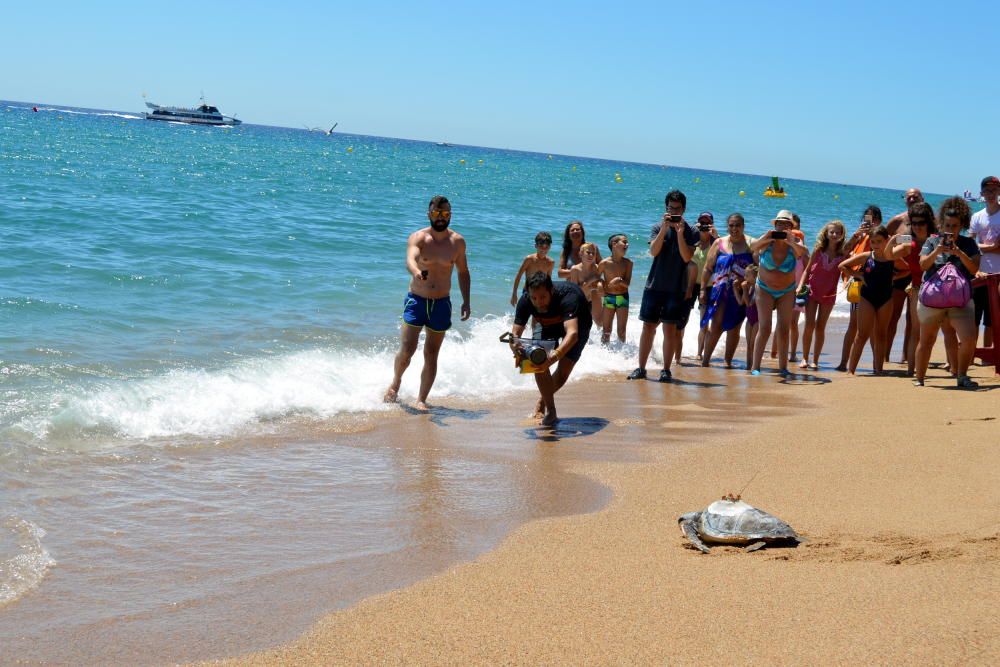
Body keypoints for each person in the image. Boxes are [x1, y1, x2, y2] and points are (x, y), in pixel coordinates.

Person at [384, 196, 471, 410]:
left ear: (450, 214)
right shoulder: (419, 237)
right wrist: (416, 272)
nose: (440, 218)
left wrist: (466, 301)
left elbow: (463, 271)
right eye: (436, 213)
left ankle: (421, 399)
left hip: (441, 303)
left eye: (445, 214)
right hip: (417, 300)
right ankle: (396, 383)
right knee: (407, 350)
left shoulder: (457, 242)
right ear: (428, 214)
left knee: (432, 353)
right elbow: (410, 259)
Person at [627, 190, 698, 382]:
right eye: (670, 208)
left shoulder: (691, 231)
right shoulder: (658, 227)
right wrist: (665, 227)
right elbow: (653, 251)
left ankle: (666, 369)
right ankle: (641, 368)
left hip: (676, 288)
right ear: (666, 208)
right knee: (648, 327)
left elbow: (687, 257)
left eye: (676, 209)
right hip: (654, 285)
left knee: (670, 330)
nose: (673, 212)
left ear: (683, 209)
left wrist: (680, 233)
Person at [914, 198, 982, 389]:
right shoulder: (931, 241)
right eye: (947, 225)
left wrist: (959, 253)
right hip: (932, 299)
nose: (951, 230)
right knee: (927, 340)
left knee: (969, 339)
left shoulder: (969, 244)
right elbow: (923, 265)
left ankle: (962, 376)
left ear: (961, 225)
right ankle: (920, 378)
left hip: (960, 300)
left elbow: (975, 269)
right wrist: (937, 251)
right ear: (941, 224)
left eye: (955, 226)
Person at [511, 272, 592, 425]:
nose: (538, 302)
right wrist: (515, 345)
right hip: (548, 325)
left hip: (578, 326)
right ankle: (552, 411)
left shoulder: (569, 296)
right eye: (534, 298)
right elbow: (515, 333)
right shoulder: (526, 300)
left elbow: (572, 334)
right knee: (537, 362)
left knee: (563, 371)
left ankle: (543, 400)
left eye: (543, 297)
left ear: (551, 291)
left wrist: (554, 356)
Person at [749, 210, 809, 376]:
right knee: (765, 327)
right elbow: (752, 248)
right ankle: (756, 366)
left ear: (791, 227)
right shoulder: (767, 240)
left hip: (786, 291)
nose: (782, 226)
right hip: (765, 289)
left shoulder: (795, 242)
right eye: (779, 223)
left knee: (783, 328)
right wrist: (766, 237)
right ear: (775, 225)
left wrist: (791, 242)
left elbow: (802, 253)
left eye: (786, 224)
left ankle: (783, 367)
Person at [699, 213, 753, 367]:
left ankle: (727, 361)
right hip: (720, 291)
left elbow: (758, 269)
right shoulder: (719, 243)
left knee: (735, 328)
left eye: (737, 225)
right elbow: (708, 269)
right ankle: (706, 360)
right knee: (716, 325)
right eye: (731, 225)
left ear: (743, 226)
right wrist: (703, 289)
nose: (734, 228)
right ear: (727, 226)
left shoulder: (750, 244)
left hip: (740, 292)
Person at [796, 220, 849, 370]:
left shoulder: (843, 254)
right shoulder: (818, 250)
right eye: (832, 232)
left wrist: (845, 282)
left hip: (829, 294)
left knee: (821, 327)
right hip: (813, 291)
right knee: (809, 325)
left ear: (842, 235)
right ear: (826, 233)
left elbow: (846, 271)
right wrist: (800, 285)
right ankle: (805, 358)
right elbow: (807, 269)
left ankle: (815, 360)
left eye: (838, 232)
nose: (834, 235)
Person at [836, 206, 881, 371]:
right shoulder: (859, 237)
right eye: (867, 220)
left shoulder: (881, 237)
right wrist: (856, 235)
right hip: (857, 284)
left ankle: (877, 365)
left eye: (873, 219)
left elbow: (895, 246)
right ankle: (843, 363)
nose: (870, 223)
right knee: (853, 325)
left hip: (875, 285)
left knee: (873, 328)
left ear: (879, 221)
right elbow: (843, 252)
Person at [885, 188, 926, 365]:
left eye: (915, 197)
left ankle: (906, 356)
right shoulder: (897, 221)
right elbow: (884, 242)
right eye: (908, 197)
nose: (911, 199)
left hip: (919, 274)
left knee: (913, 318)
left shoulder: (928, 222)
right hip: (899, 274)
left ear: (922, 199)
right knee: (892, 316)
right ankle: (885, 355)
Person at [902, 202, 936, 376]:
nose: (917, 227)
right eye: (913, 223)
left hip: (938, 291)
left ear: (928, 222)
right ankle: (911, 370)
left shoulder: (936, 239)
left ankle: (956, 371)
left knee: (938, 332)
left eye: (921, 223)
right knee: (916, 330)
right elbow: (887, 252)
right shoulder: (908, 239)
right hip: (916, 289)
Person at [681, 212, 718, 361]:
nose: (704, 226)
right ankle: (678, 351)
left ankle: (699, 353)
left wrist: (715, 235)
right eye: (701, 222)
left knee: (704, 321)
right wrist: (691, 230)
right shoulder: (692, 239)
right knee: (682, 318)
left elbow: (726, 253)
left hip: (708, 285)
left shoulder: (716, 242)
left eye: (707, 223)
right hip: (690, 284)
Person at [969, 176, 1000, 348]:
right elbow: (969, 243)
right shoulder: (977, 217)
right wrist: (991, 246)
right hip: (979, 271)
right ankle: (970, 353)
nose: (990, 194)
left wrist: (980, 247)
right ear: (981, 193)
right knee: (974, 315)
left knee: (992, 318)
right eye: (987, 191)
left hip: (998, 273)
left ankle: (988, 355)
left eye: (994, 190)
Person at [598, 234, 633, 343]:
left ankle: (622, 356)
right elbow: (596, 278)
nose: (627, 244)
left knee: (621, 331)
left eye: (627, 243)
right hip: (609, 297)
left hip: (622, 297)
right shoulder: (604, 263)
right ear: (614, 244)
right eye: (624, 242)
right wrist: (600, 285)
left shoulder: (628, 263)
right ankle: (604, 354)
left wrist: (620, 281)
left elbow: (627, 284)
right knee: (606, 330)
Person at [510, 232, 554, 306]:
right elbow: (519, 275)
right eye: (541, 246)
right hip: (528, 291)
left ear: (550, 247)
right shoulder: (529, 259)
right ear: (535, 246)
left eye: (546, 246)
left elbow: (548, 281)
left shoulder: (550, 262)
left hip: (542, 293)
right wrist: (514, 293)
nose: (544, 248)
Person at [568, 242, 605, 324]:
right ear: (581, 254)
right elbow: (575, 292)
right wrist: (590, 281)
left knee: (600, 323)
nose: (591, 255)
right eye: (588, 252)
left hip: (592, 299)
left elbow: (600, 281)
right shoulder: (575, 269)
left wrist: (600, 284)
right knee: (580, 324)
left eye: (593, 253)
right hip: (579, 301)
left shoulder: (597, 268)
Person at [735, 264, 760, 370]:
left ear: (754, 277)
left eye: (747, 275)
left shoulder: (757, 288)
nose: (745, 278)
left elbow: (749, 303)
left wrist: (744, 290)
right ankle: (748, 366)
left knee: (753, 344)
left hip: (757, 320)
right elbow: (741, 302)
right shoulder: (749, 287)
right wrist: (735, 289)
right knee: (749, 345)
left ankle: (754, 366)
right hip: (749, 319)